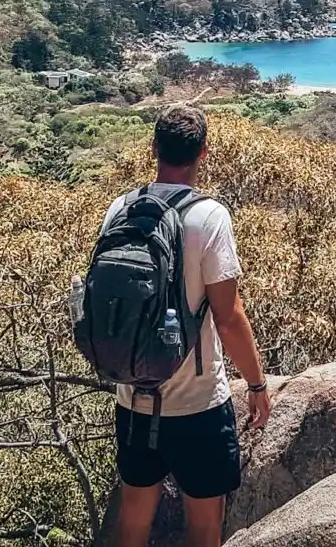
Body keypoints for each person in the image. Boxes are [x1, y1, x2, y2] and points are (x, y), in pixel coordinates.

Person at [106, 104, 272, 547]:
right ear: (204, 152)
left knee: (133, 523)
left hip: (134, 397)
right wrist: (256, 385)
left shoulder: (120, 208)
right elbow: (228, 315)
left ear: (154, 148)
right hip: (198, 403)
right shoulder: (209, 216)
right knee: (203, 526)